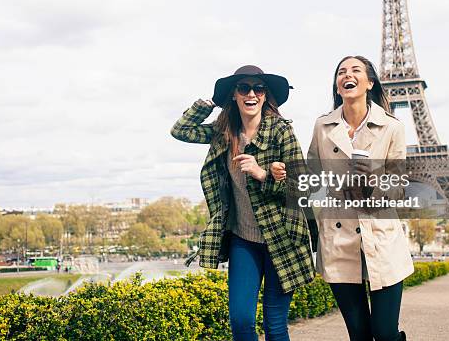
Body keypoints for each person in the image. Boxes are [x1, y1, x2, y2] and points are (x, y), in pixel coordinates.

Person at [272, 56, 413, 341]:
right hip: (339, 237)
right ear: (338, 86)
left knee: (385, 333)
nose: (347, 75)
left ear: (370, 82)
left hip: (381, 235)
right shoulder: (323, 127)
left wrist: (374, 181)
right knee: (359, 334)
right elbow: (309, 175)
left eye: (355, 70)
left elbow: (399, 187)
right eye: (341, 72)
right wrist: (282, 172)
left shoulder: (392, 127)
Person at [171, 65, 315, 341]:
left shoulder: (281, 132)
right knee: (240, 320)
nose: (251, 93)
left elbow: (303, 189)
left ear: (265, 95)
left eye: (258, 88)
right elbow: (180, 130)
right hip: (243, 239)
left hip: (282, 237)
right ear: (234, 95)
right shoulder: (223, 133)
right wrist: (214, 100)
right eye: (243, 88)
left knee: (275, 326)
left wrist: (262, 174)